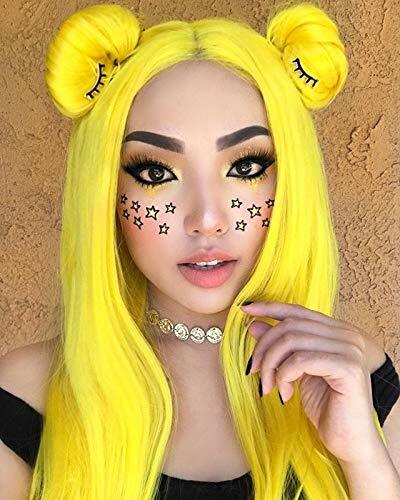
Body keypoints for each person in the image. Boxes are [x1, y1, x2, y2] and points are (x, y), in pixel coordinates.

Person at [1, 2, 399, 499]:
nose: (207, 219)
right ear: (106, 193)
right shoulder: (26, 398)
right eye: (155, 173)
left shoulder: (355, 377)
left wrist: (365, 464)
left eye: (246, 168)